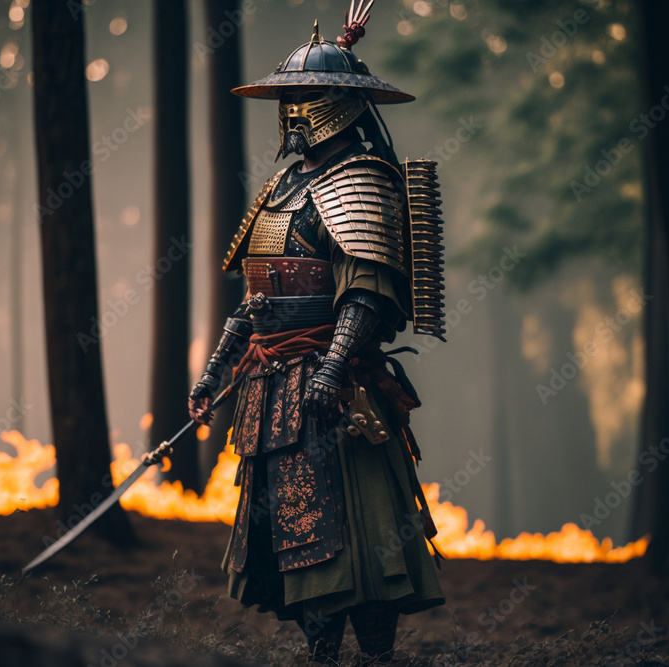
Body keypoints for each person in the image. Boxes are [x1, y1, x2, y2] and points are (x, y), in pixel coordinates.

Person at [189, 7, 447, 663]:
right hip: (267, 391)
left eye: (303, 96)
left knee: (357, 535)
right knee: (291, 536)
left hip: (335, 389)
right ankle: (321, 654)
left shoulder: (363, 179)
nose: (293, 108)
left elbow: (366, 290)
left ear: (335, 101)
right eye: (288, 97)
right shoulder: (282, 188)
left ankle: (375, 654)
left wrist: (333, 368)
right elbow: (253, 303)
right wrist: (213, 373)